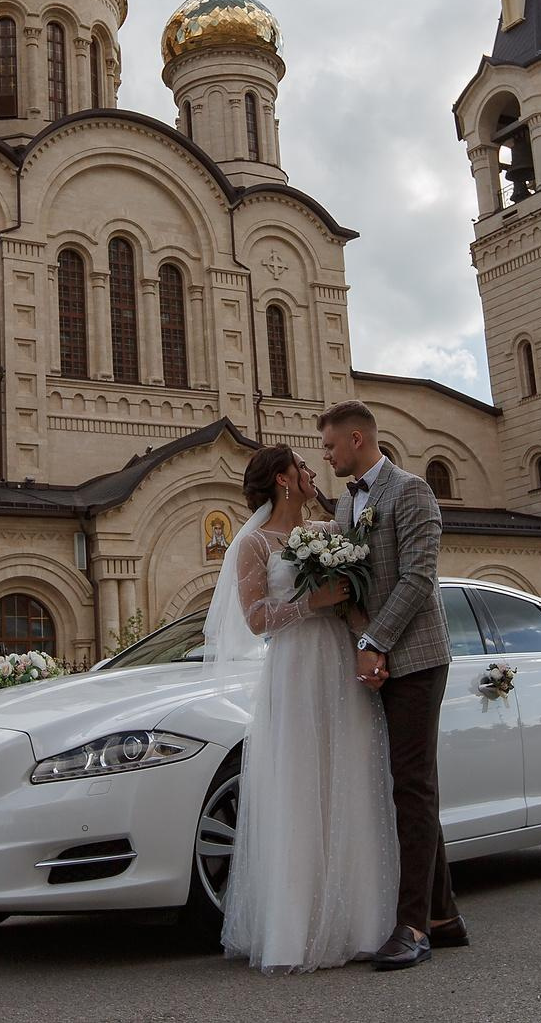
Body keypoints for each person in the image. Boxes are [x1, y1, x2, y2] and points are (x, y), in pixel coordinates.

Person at [213, 445, 399, 973]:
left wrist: (370, 647)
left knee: (349, 778)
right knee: (300, 785)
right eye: (301, 466)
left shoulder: (329, 530)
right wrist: (310, 603)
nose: (311, 471)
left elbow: (353, 601)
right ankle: (297, 930)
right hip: (294, 670)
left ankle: (360, 923)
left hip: (339, 662)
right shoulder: (254, 543)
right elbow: (254, 618)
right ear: (282, 478)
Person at [317, 399, 464, 971]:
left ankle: (413, 928)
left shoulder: (411, 491)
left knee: (413, 786)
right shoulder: (345, 504)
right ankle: (444, 917)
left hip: (419, 659)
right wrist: (365, 642)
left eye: (331, 446)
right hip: (376, 657)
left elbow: (419, 578)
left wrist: (375, 642)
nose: (327, 456)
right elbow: (351, 582)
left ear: (357, 439)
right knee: (410, 786)